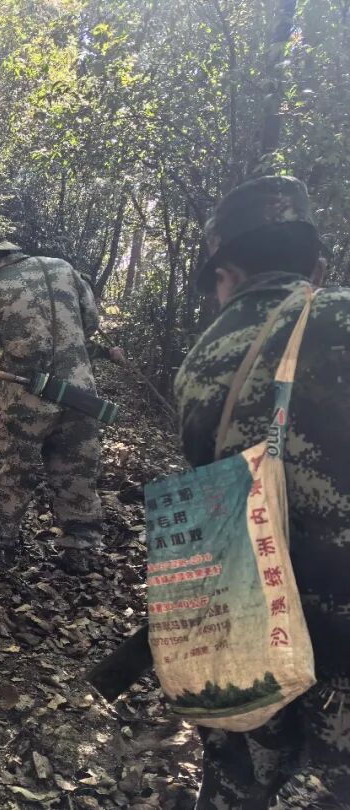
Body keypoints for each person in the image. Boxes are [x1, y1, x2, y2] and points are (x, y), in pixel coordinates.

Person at [174, 175, 350, 808]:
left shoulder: (202, 357)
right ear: (317, 267)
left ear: (227, 273)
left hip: (244, 616)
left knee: (238, 768)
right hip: (339, 626)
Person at [0, 219, 105, 574]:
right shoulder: (63, 268)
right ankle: (80, 551)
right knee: (77, 471)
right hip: (81, 393)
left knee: (11, 471)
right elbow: (91, 322)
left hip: (26, 397)